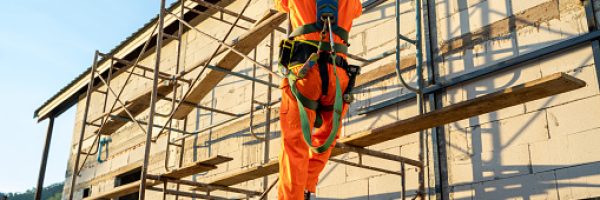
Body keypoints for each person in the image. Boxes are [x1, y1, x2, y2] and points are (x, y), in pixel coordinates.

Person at [274, 0, 362, 199]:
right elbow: (356, 11)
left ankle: (294, 195)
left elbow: (281, 5)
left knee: (295, 142)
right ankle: (307, 184)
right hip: (337, 74)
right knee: (328, 133)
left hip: (305, 70)